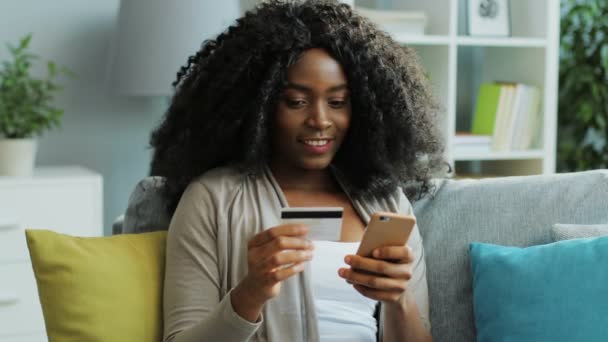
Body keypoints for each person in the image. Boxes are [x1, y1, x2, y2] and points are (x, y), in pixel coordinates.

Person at [150, 1, 445, 341]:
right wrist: (252, 291)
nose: (319, 120)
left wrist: (399, 299)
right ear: (258, 107)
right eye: (296, 102)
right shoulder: (213, 198)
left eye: (337, 102)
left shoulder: (389, 204)